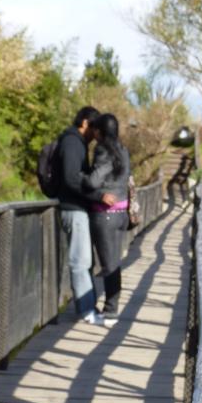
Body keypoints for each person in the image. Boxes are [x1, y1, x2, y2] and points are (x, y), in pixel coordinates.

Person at [79, 113, 131, 327]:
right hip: (122, 214)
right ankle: (112, 308)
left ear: (99, 132)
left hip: (105, 214)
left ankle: (110, 313)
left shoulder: (103, 150)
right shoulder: (123, 150)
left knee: (108, 264)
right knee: (114, 262)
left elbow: (93, 181)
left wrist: (78, 177)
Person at [55, 105, 105, 325]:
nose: (96, 135)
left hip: (77, 209)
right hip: (73, 209)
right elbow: (71, 178)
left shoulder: (76, 143)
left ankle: (89, 307)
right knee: (80, 261)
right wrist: (97, 196)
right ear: (85, 123)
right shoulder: (72, 143)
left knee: (85, 260)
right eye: (94, 129)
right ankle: (86, 310)